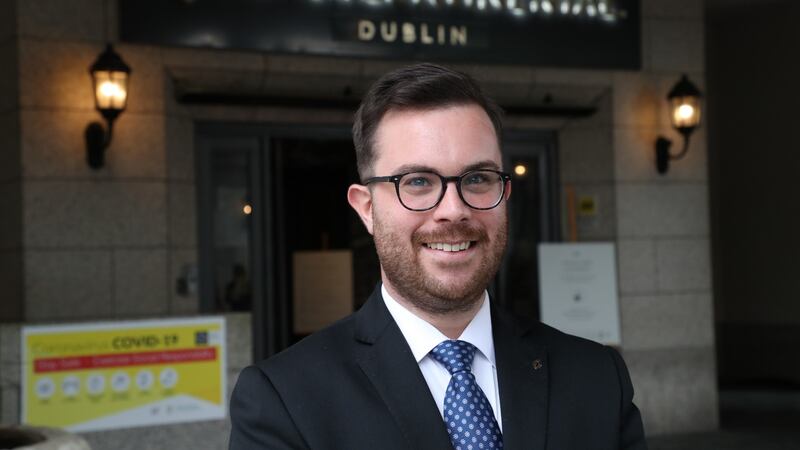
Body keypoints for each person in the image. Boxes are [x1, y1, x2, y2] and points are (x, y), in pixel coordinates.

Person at [229, 63, 647, 450]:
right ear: (367, 208)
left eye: (478, 178)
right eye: (418, 181)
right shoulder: (283, 401)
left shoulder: (597, 378)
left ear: (505, 196)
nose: (453, 209)